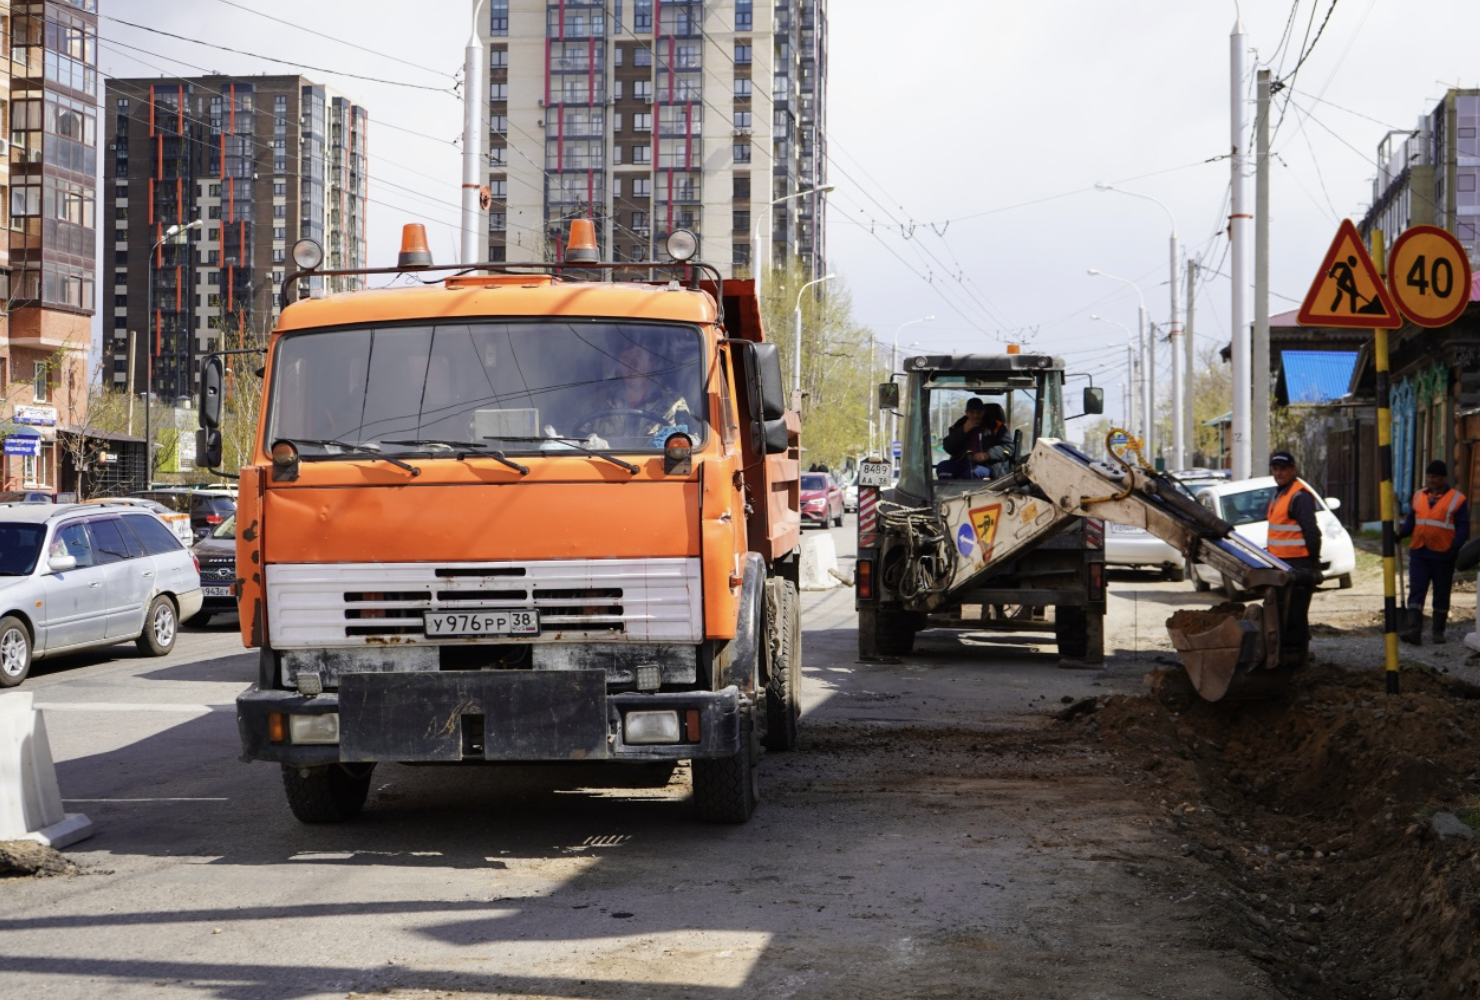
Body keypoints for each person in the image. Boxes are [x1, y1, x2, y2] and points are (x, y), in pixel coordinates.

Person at [1397, 459, 1469, 645]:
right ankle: (1414, 630)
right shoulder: (1418, 496)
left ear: (1444, 478)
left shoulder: (1457, 499)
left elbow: (1463, 528)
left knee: (1441, 593)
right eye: (1429, 476)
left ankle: (1438, 631)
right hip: (1420, 552)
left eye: (1435, 477)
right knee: (1417, 591)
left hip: (1443, 553)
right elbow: (1412, 521)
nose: (1431, 480)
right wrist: (1400, 535)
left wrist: (1455, 548)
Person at [1264, 450, 1322, 667]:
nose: (1278, 473)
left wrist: (1313, 563)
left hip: (1297, 565)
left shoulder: (1300, 496)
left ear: (1293, 470)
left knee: (1294, 614)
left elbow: (1311, 532)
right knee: (1284, 613)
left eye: (1283, 469)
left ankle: (1294, 657)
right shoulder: (1280, 493)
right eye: (1275, 469)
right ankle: (1288, 654)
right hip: (1281, 563)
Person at [584, 341, 692, 441]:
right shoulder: (598, 401)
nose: (632, 365)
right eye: (626, 359)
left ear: (652, 364)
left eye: (638, 357)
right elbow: (575, 440)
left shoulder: (673, 403)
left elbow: (689, 445)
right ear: (619, 365)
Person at [938, 399, 1013, 479]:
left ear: (983, 412)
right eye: (972, 412)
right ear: (966, 413)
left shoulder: (995, 426)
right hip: (962, 463)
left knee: (972, 473)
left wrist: (988, 455)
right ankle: (946, 491)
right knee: (942, 467)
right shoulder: (958, 426)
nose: (975, 416)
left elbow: (1009, 447)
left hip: (988, 466)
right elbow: (948, 447)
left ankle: (971, 492)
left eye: (978, 412)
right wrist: (963, 430)